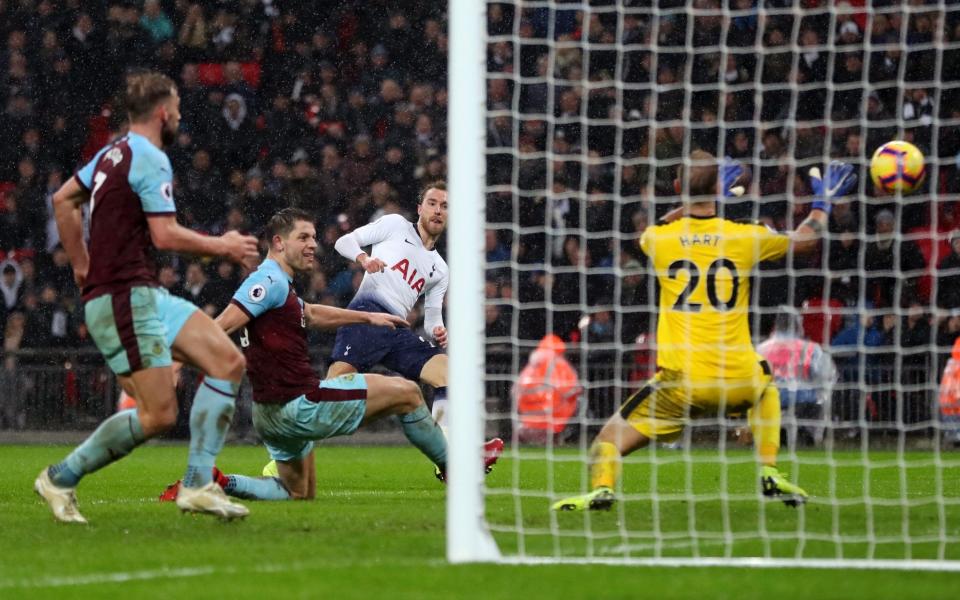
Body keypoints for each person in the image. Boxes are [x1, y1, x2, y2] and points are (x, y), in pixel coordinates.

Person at [551, 150, 857, 511]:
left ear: (679, 187)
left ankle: (602, 489)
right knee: (765, 382)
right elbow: (807, 239)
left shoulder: (659, 239)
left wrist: (697, 196)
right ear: (718, 189)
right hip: (737, 378)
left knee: (606, 442)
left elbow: (659, 226)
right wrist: (822, 205)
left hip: (682, 383)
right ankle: (770, 469)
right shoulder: (744, 236)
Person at [35, 71, 259, 523]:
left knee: (228, 362)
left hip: (142, 294)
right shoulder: (151, 156)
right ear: (162, 112)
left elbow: (63, 200)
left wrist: (82, 265)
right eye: (176, 107)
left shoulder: (109, 153)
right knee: (158, 414)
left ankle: (198, 484)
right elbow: (164, 233)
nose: (179, 115)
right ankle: (60, 476)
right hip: (123, 297)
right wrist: (225, 245)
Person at [161, 208, 486, 501]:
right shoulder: (268, 281)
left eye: (314, 237)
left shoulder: (280, 286)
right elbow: (222, 325)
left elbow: (311, 313)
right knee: (409, 393)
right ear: (278, 242)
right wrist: (177, 362)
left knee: (298, 492)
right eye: (302, 237)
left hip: (269, 414)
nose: (312, 244)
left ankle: (217, 482)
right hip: (298, 405)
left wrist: (366, 316)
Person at [327, 180, 503, 476]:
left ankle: (446, 459)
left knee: (449, 373)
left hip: (397, 329)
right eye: (432, 203)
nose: (438, 210)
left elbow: (433, 318)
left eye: (445, 206)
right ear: (420, 209)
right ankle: (280, 458)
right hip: (365, 317)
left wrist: (439, 331)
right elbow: (343, 242)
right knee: (329, 399)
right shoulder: (395, 225)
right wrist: (364, 259)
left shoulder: (441, 268)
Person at [757, 310, 837, 449]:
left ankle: (774, 431)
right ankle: (809, 434)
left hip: (771, 399)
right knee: (822, 399)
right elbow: (825, 374)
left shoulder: (762, 348)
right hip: (803, 398)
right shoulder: (810, 348)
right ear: (798, 325)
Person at [513, 334, 582, 444]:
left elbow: (515, 391)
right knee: (580, 403)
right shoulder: (560, 364)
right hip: (552, 415)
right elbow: (570, 390)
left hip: (527, 418)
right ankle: (565, 438)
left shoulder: (531, 366)